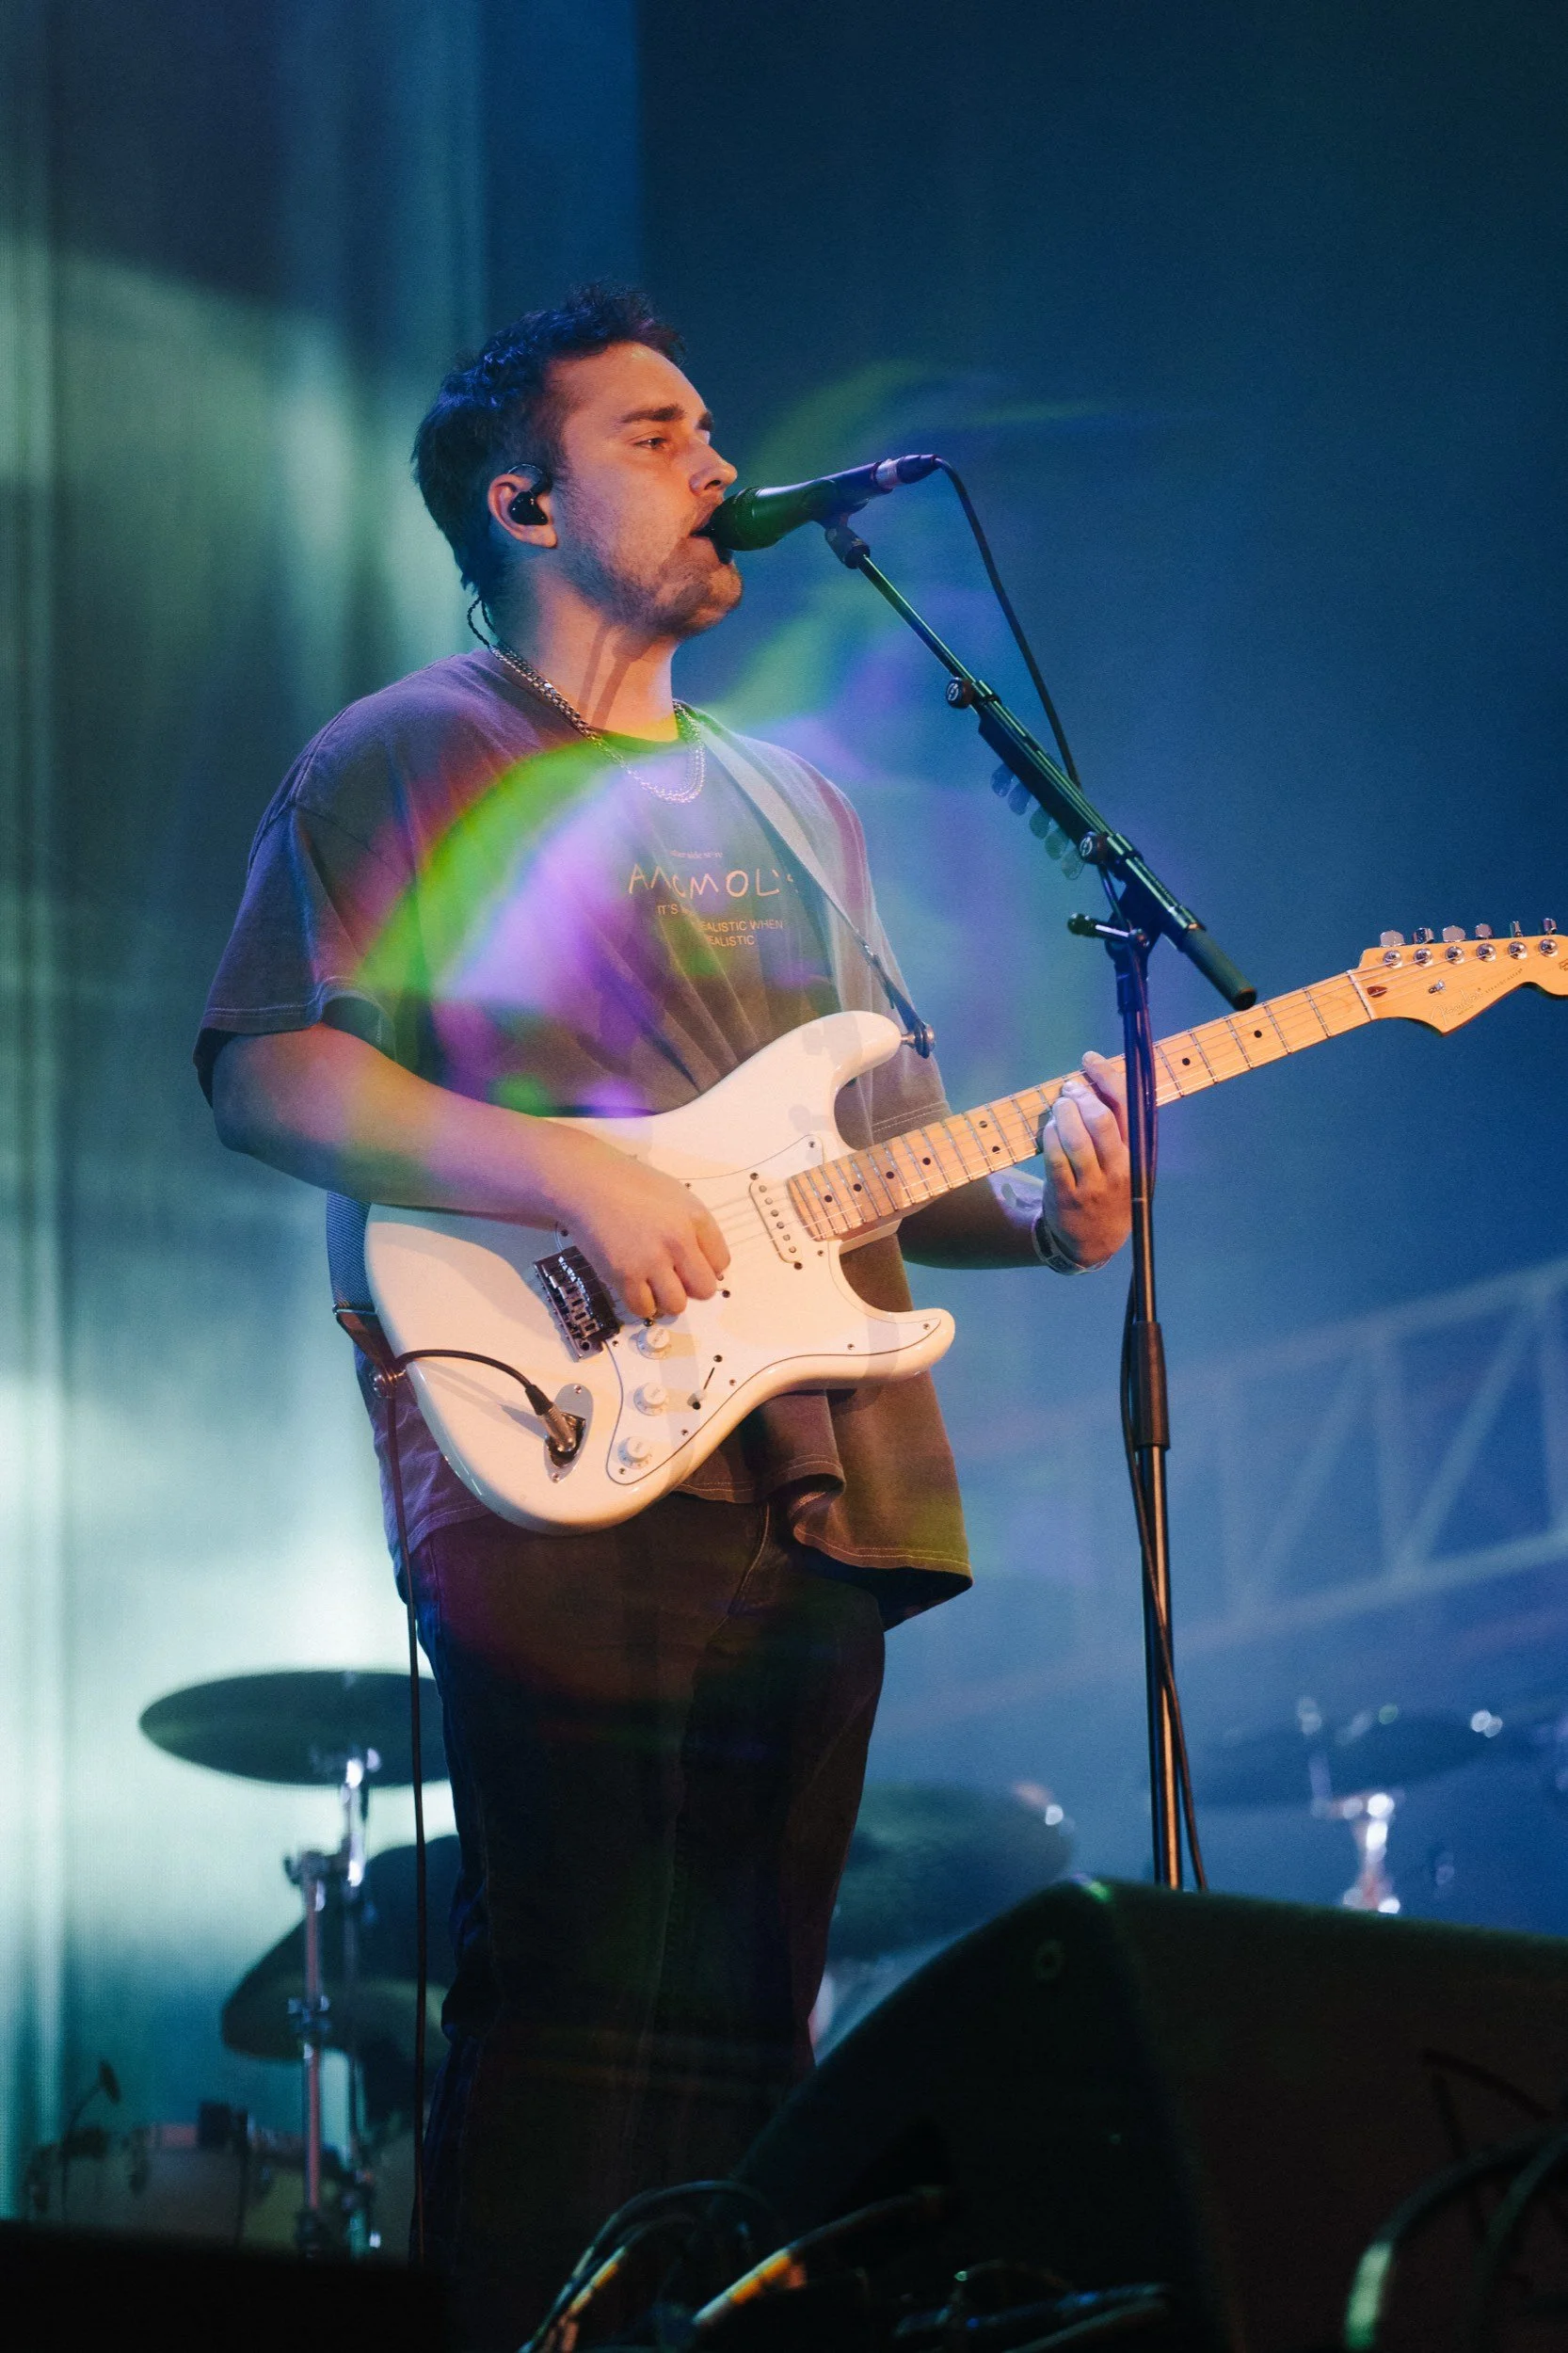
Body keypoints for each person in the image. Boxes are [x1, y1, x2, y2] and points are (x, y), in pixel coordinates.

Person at [197, 286, 1129, 2345]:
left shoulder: (796, 803)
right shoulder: (406, 755)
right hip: (560, 1449)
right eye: (654, 431)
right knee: (573, 2007)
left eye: (712, 423)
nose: (717, 459)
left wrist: (1044, 1210)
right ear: (521, 500)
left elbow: (874, 1146)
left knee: (744, 2026)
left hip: (813, 1483)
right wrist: (571, 1171)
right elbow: (267, 1065)